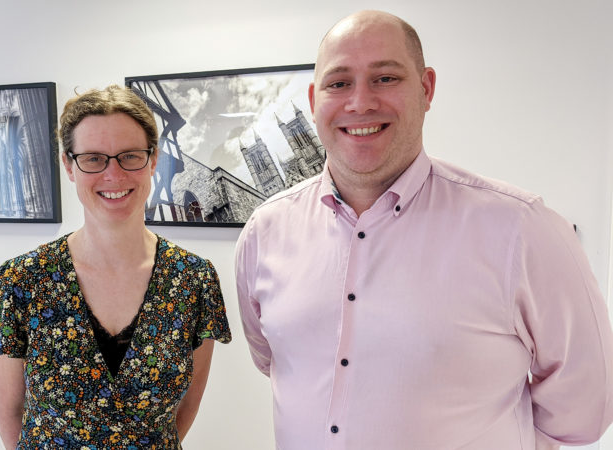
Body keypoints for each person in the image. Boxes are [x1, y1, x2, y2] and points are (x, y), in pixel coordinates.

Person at [235, 10, 613, 450]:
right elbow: (275, 360)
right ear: (315, 99)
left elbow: (583, 409)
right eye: (339, 83)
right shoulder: (265, 232)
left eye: (385, 78)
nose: (359, 102)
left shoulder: (521, 229)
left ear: (426, 88)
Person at [0, 85, 231, 449]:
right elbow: (9, 413)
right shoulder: (19, 281)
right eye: (94, 158)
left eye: (129, 156)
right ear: (69, 164)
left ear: (153, 160)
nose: (114, 174)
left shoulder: (194, 279)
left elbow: (184, 408)